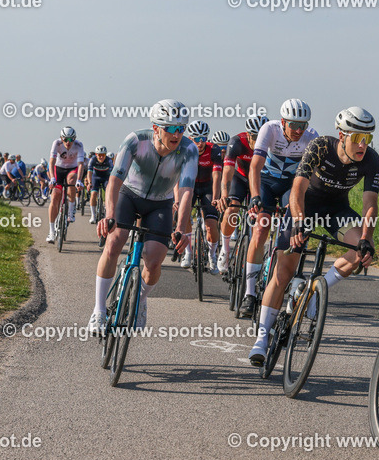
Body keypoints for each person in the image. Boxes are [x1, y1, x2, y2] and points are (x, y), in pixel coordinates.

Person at [247, 107, 379, 364]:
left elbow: (370, 202)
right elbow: (297, 188)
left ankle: (317, 290)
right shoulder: (320, 146)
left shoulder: (371, 159)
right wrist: (298, 222)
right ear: (342, 135)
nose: (363, 144)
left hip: (336, 210)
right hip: (305, 207)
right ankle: (262, 338)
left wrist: (366, 237)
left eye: (368, 138)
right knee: (283, 273)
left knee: (360, 250)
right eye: (357, 138)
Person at [90, 100, 197, 332]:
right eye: (171, 128)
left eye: (182, 128)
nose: (178, 134)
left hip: (161, 204)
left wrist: (181, 228)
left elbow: (187, 191)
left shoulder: (189, 150)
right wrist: (109, 215)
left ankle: (139, 300)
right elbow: (115, 181)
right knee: (114, 242)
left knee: (154, 260)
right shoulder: (136, 141)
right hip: (129, 196)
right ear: (156, 127)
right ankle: (98, 311)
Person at [238, 100, 318, 317]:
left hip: (290, 187)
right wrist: (255, 197)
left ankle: (283, 279)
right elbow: (255, 166)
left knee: (290, 229)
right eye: (293, 125)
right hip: (266, 182)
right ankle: (249, 294)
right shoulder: (269, 129)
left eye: (303, 125)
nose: (299, 130)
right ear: (283, 122)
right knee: (261, 228)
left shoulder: (312, 137)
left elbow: (313, 177)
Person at [215, 115, 267, 273]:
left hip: (258, 180)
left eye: (261, 137)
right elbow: (227, 171)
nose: (258, 140)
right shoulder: (237, 142)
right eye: (255, 137)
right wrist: (224, 195)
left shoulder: (270, 144)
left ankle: (254, 253)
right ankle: (225, 248)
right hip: (240, 178)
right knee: (232, 209)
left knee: (258, 218)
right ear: (248, 134)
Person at [179, 120, 223, 274]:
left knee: (211, 225)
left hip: (208, 188)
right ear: (190, 138)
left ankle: (212, 257)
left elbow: (217, 176)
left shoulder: (214, 150)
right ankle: (188, 253)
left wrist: (216, 198)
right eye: (196, 139)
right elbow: (177, 176)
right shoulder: (183, 149)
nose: (200, 142)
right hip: (189, 186)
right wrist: (177, 200)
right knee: (183, 217)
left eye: (203, 138)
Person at [46, 127, 86, 242]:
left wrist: (79, 180)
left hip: (72, 170)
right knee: (55, 196)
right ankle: (51, 232)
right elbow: (52, 161)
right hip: (58, 169)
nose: (68, 142)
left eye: (71, 139)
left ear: (75, 139)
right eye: (66, 139)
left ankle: (71, 210)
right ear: (61, 138)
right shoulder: (56, 144)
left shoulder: (79, 145)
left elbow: (80, 164)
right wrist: (52, 178)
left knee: (72, 180)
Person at [88, 145, 113, 223]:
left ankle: (107, 211)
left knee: (108, 194)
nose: (101, 157)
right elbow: (89, 173)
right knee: (93, 194)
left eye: (103, 155)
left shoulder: (109, 161)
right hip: (96, 178)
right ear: (96, 155)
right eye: (99, 155)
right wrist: (89, 183)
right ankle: (93, 216)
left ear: (105, 155)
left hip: (106, 178)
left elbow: (112, 173)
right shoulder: (92, 160)